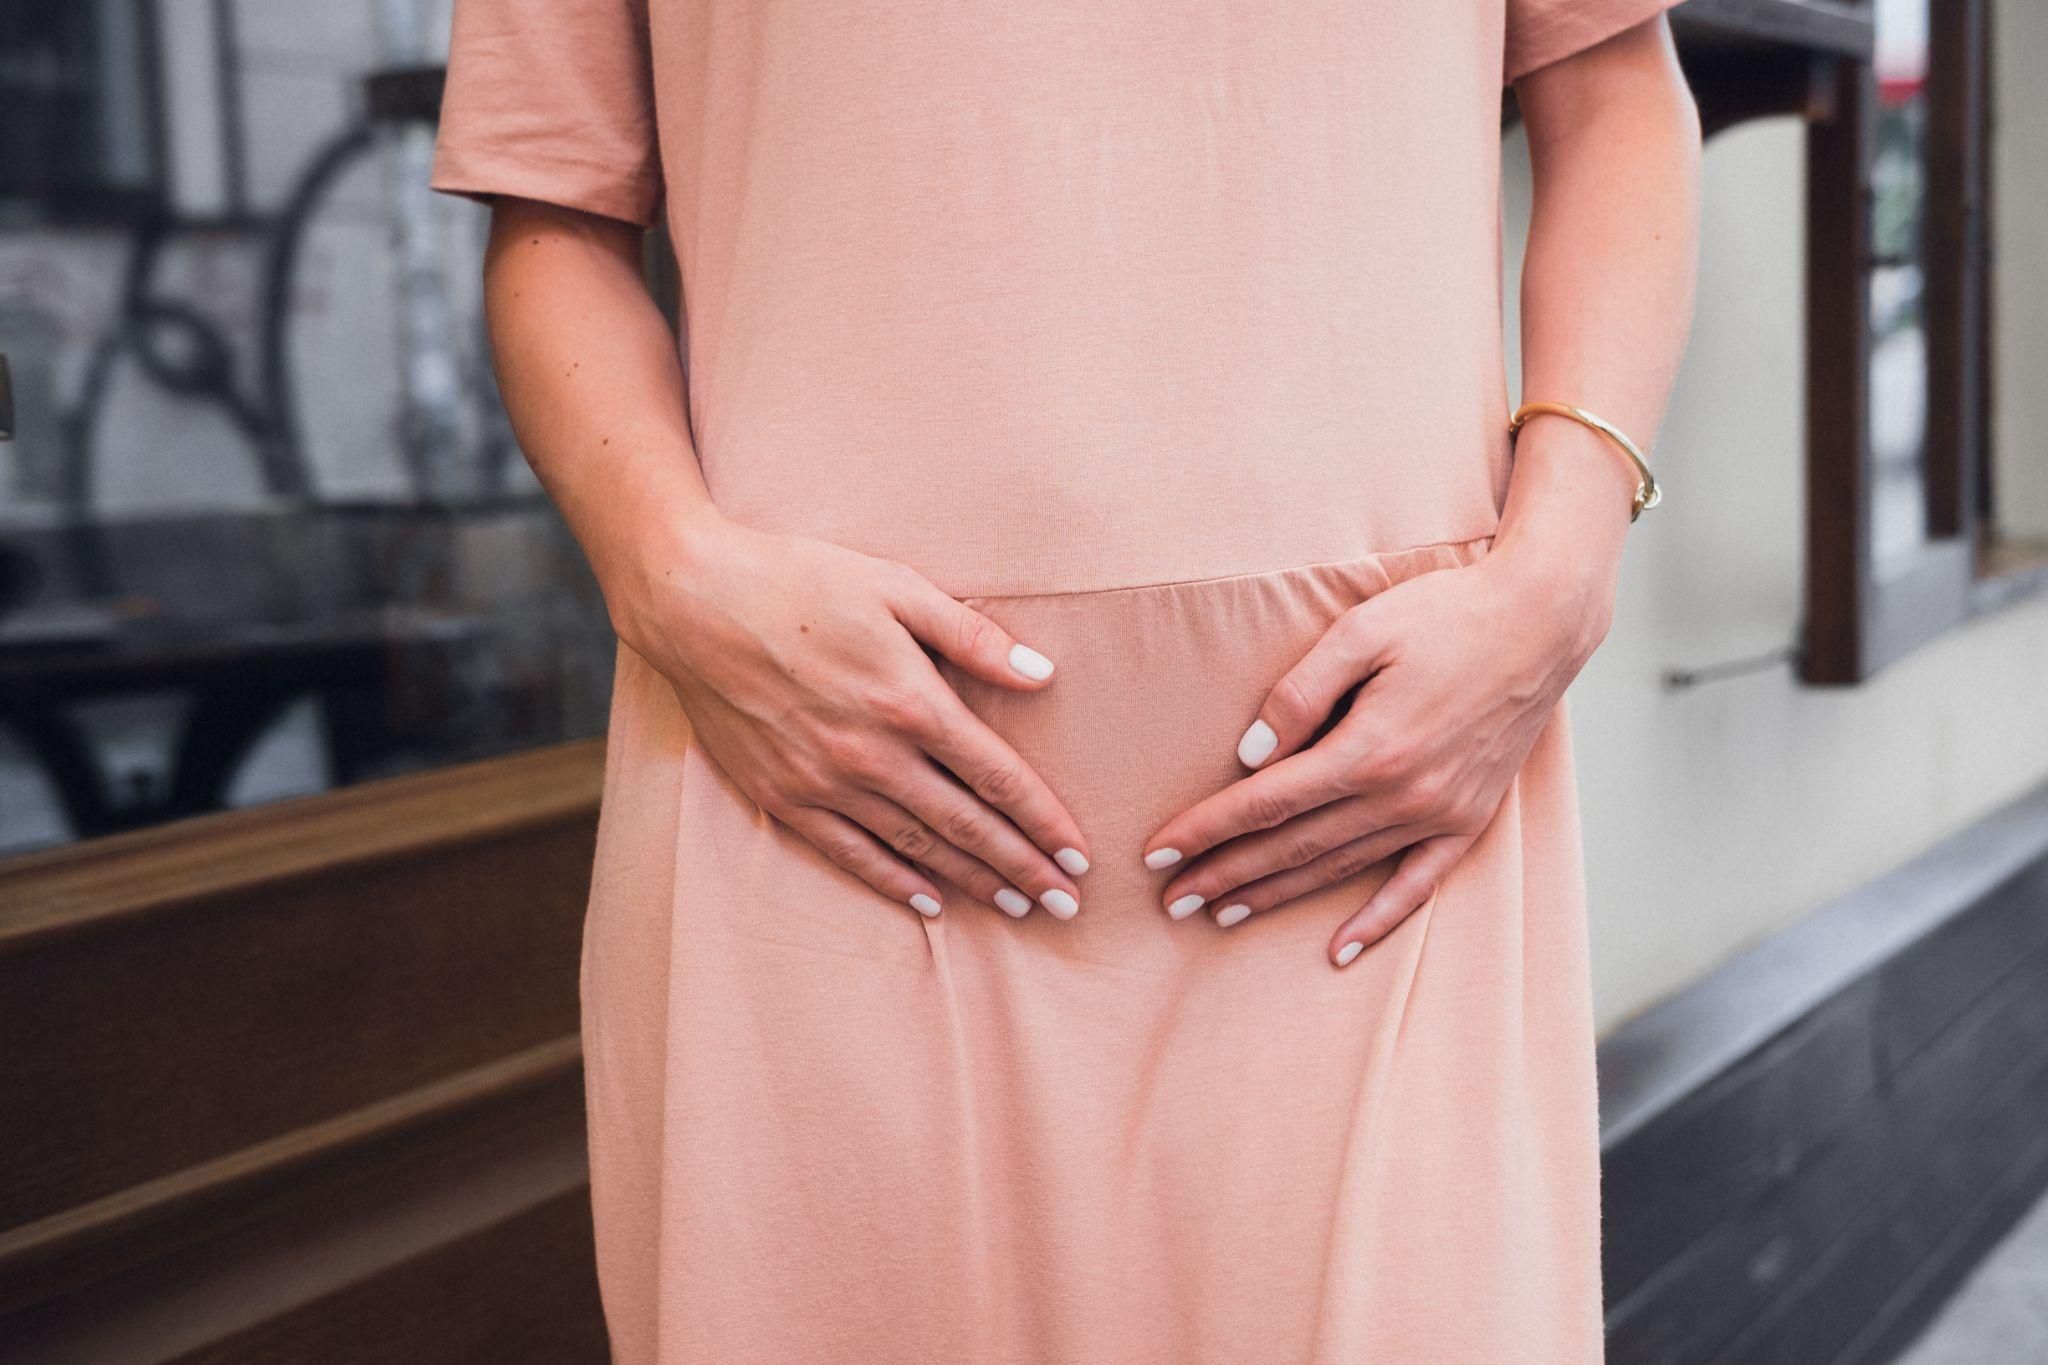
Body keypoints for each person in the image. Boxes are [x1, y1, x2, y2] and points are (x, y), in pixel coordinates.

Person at [431, 1, 1701, 1359]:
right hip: (828, 799)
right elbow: (555, 209)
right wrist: (666, 570)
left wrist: (1561, 570)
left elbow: (1616, 96)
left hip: (1377, 813)